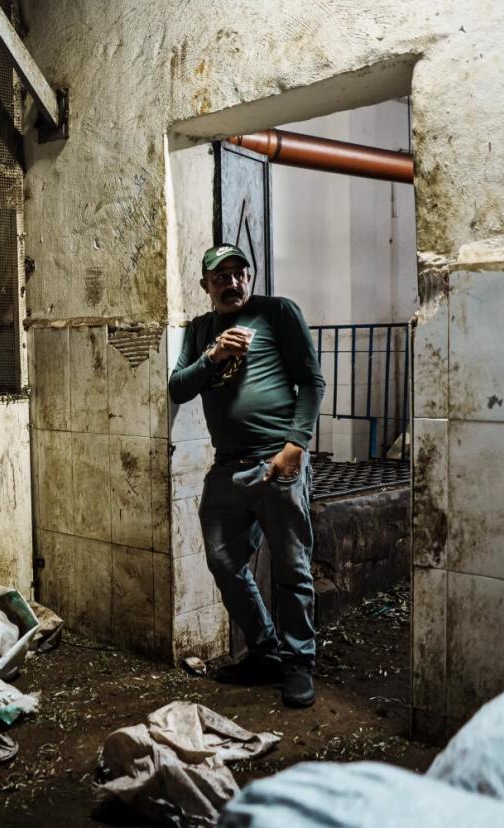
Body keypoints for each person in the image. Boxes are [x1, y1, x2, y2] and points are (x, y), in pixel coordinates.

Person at [168, 244, 326, 708]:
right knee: (222, 559)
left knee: (292, 568)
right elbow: (178, 388)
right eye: (221, 277)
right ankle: (265, 652)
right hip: (227, 467)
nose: (232, 283)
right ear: (206, 286)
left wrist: (295, 446)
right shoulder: (200, 331)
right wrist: (213, 357)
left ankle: (299, 664)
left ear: (251, 278)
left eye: (240, 274)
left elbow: (311, 382)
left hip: (276, 462)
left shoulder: (277, 313)